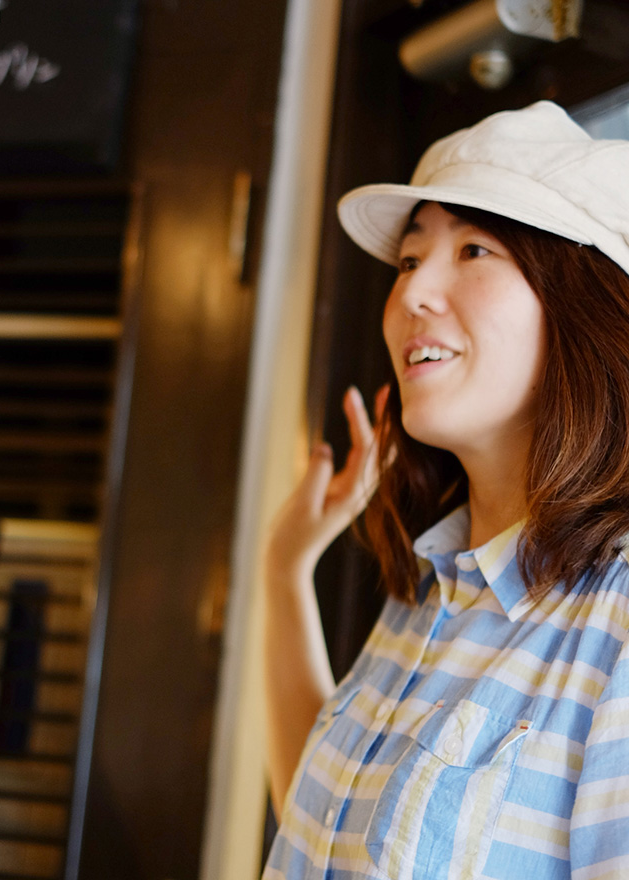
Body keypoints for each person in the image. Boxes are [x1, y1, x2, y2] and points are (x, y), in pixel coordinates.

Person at [262, 100, 629, 880]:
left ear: (579, 306)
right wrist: (282, 573)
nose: (413, 294)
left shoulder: (618, 621)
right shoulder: (433, 586)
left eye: (473, 250)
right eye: (408, 260)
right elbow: (323, 823)